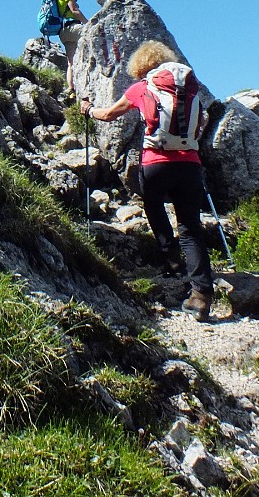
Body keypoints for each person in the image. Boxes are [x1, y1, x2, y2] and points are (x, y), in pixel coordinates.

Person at [79, 39, 216, 321]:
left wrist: (88, 110)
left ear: (141, 65)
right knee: (190, 226)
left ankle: (173, 262)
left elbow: (108, 114)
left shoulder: (143, 87)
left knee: (153, 206)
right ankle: (201, 295)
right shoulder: (190, 89)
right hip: (190, 164)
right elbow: (202, 123)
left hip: (156, 163)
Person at [57, 0, 88, 98]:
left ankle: (71, 89)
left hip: (63, 32)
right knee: (93, 36)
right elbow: (74, 10)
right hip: (72, 27)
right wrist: (89, 23)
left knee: (71, 62)